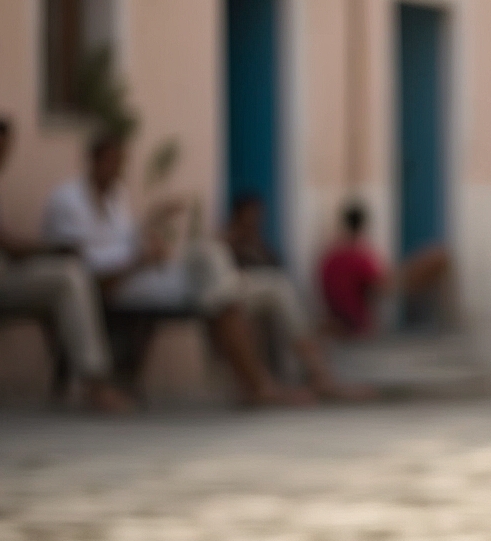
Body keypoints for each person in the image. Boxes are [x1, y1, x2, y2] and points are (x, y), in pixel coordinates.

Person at [41, 131, 305, 407]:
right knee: (220, 290)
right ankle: (259, 384)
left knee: (209, 257)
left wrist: (151, 235)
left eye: (122, 162)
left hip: (149, 276)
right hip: (125, 284)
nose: (119, 169)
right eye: (114, 161)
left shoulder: (116, 196)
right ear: (94, 159)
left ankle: (261, 378)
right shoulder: (67, 200)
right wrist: (139, 261)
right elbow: (87, 272)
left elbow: (124, 242)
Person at [0, 116, 131, 411]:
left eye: (4, 148)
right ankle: (95, 381)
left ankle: (76, 380)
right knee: (68, 277)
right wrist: (47, 249)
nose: (0, 155)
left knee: (70, 289)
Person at [222, 194, 368, 399]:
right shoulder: (228, 241)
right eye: (250, 215)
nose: (255, 220)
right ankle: (318, 375)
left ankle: (313, 373)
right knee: (283, 297)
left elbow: (274, 266)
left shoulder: (258, 243)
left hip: (259, 300)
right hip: (240, 296)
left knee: (291, 311)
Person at [318, 200, 449, 337]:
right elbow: (383, 285)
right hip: (355, 324)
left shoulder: (330, 256)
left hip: (338, 317)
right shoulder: (358, 256)